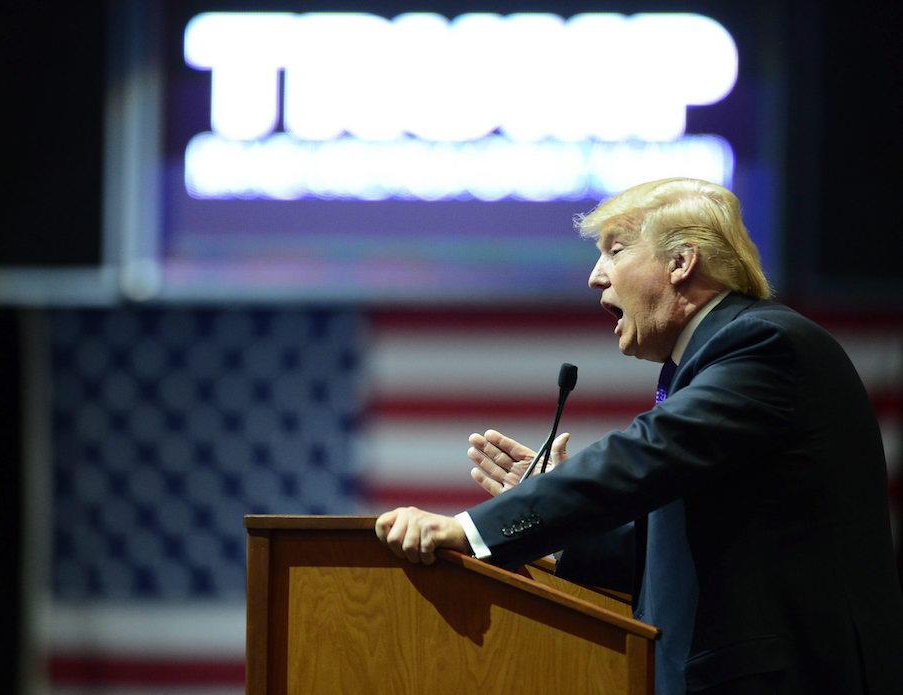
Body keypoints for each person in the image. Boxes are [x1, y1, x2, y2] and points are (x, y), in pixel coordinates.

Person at [375, 178, 903, 694]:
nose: (594, 277)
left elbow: (645, 452)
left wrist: (471, 531)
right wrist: (554, 521)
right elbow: (675, 552)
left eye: (615, 249)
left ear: (680, 262)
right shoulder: (712, 361)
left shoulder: (764, 345)